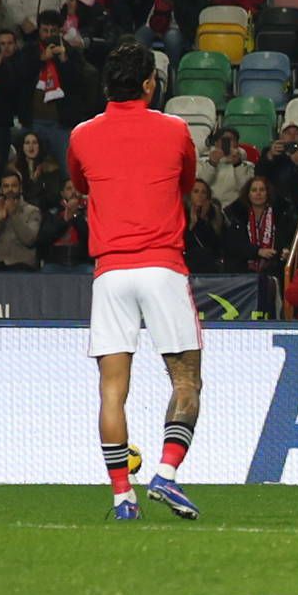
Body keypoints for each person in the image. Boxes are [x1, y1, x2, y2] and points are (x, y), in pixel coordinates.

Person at [65, 45, 206, 521]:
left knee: (111, 391)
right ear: (149, 84)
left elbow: (82, 185)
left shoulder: (82, 135)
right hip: (163, 266)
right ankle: (165, 473)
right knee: (186, 380)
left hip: (110, 273)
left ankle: (122, 497)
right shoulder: (175, 129)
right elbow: (187, 183)